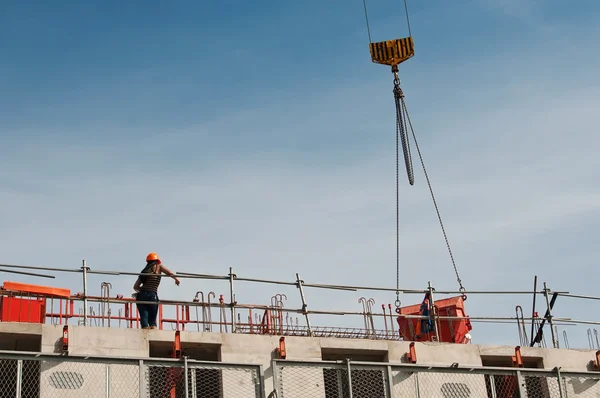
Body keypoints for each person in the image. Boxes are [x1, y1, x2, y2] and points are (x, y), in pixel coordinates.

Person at [133, 252, 181, 329]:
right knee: (152, 320)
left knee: (144, 316)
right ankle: (153, 328)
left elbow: (135, 286)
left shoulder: (144, 271)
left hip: (141, 296)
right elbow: (169, 272)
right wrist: (176, 279)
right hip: (152, 295)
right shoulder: (159, 266)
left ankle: (145, 329)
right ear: (157, 260)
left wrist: (143, 289)